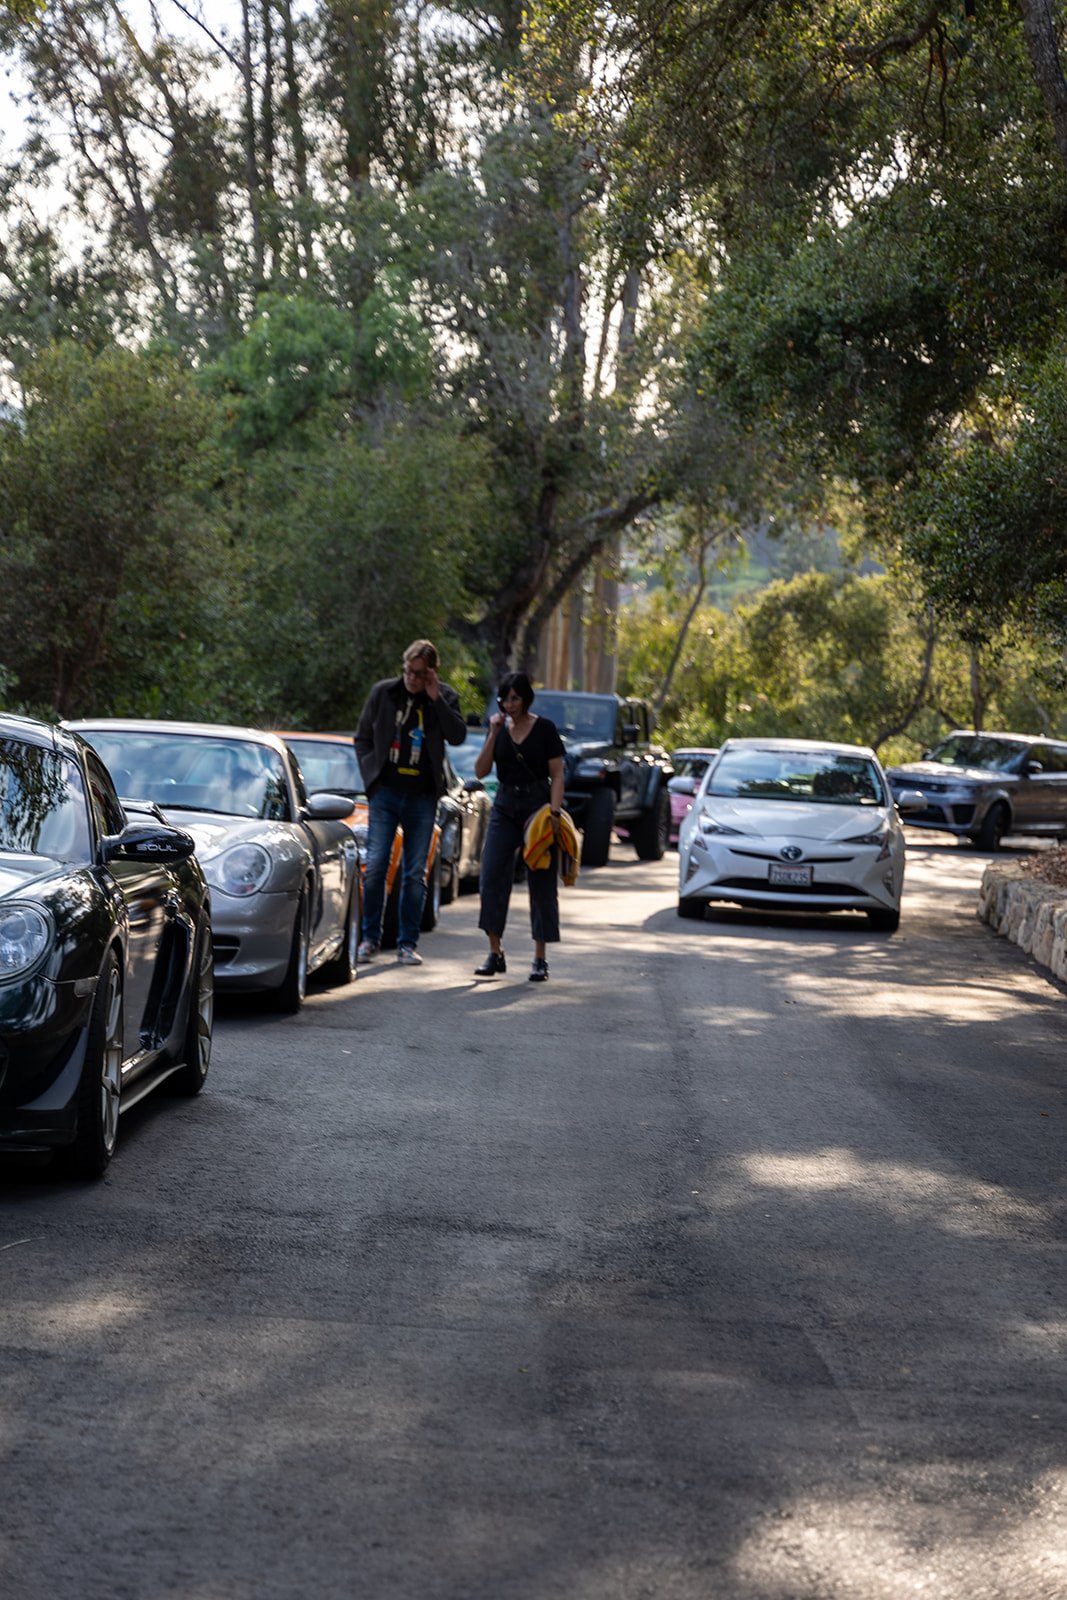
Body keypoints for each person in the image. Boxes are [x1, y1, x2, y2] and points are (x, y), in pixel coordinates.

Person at [354, 640, 467, 966]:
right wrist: (371, 779)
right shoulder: (383, 693)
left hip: (421, 797)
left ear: (431, 672)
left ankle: (406, 944)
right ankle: (369, 939)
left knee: (415, 873)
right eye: (408, 671)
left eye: (419, 674)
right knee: (375, 866)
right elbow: (361, 737)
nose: (412, 679)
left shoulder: (444, 697)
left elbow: (457, 735)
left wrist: (435, 700)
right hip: (386, 793)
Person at [474, 671, 565, 982]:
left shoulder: (545, 730)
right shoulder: (499, 729)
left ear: (526, 698)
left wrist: (554, 813)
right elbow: (481, 770)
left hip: (537, 809)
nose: (509, 704)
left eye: (514, 698)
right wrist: (492, 733)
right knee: (491, 875)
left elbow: (558, 775)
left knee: (540, 880)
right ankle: (494, 952)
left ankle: (540, 958)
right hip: (504, 806)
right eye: (504, 699)